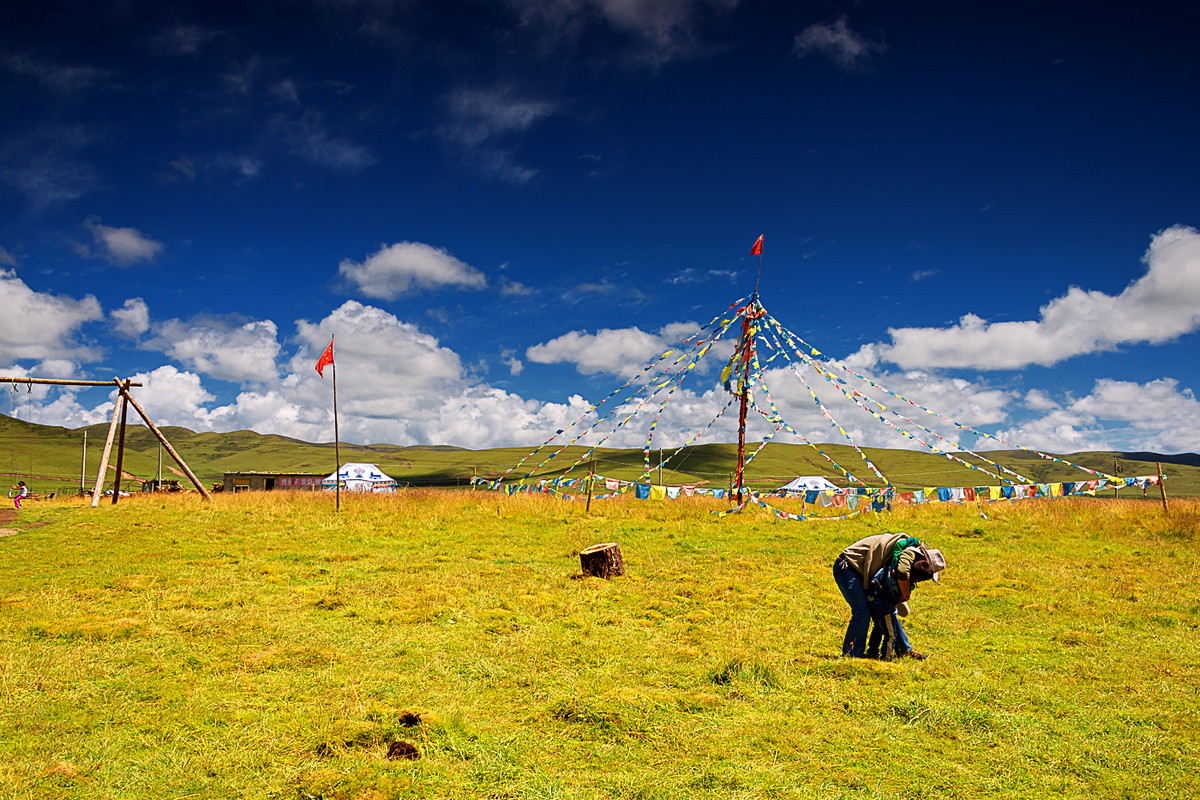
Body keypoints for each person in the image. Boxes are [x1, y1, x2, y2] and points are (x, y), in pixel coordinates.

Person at [833, 533, 946, 659]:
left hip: (860, 571)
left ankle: (903, 650)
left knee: (888, 611)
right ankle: (852, 654)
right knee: (862, 612)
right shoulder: (908, 554)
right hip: (848, 568)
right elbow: (902, 572)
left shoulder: (907, 556)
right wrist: (905, 595)